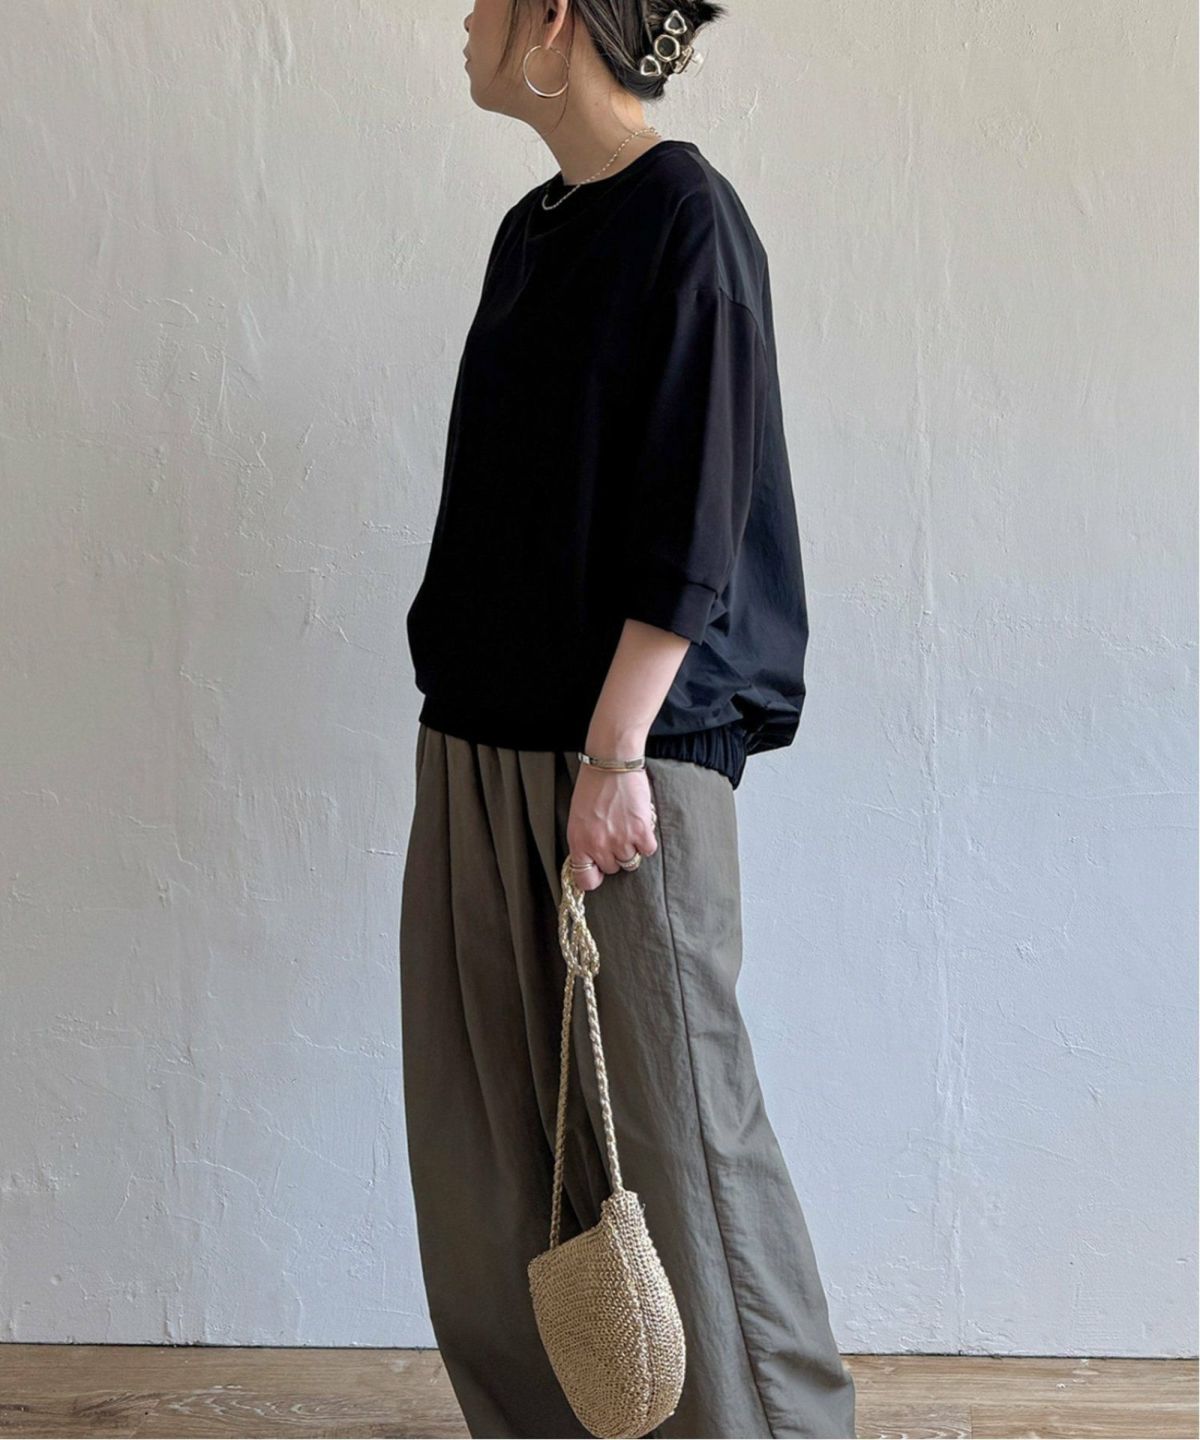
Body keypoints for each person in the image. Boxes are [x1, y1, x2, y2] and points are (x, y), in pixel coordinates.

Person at [399, 2, 858, 1436]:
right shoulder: (532, 233)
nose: (463, 19)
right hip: (478, 741)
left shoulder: (688, 221)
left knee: (680, 1140)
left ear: (553, 20)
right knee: (495, 1153)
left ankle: (774, 1426)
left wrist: (614, 753)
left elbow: (697, 516)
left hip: (627, 756)